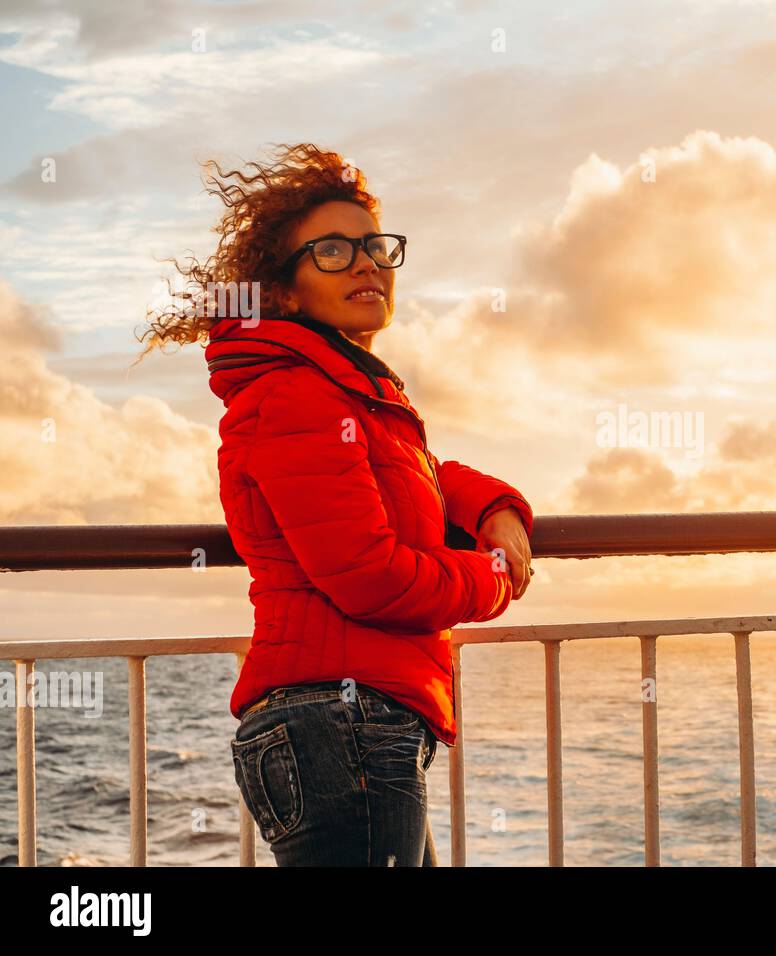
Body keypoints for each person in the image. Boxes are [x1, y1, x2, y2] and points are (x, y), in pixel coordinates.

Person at [135, 143, 534, 865]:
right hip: (341, 727)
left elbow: (422, 478)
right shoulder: (298, 395)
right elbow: (369, 575)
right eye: (332, 250)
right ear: (283, 291)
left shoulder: (342, 392)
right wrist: (496, 576)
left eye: (375, 246)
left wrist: (496, 507)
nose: (366, 263)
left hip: (353, 724)